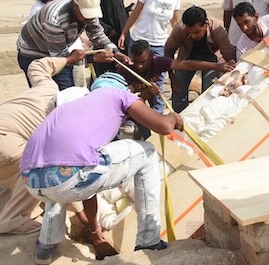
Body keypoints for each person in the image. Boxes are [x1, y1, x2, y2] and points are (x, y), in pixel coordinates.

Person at [20, 75, 184, 265]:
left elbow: (87, 187)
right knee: (147, 152)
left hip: (32, 181)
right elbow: (163, 126)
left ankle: (44, 247)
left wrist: (94, 231)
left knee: (57, 180)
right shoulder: (118, 95)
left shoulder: (71, 110)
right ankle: (148, 240)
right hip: (68, 175)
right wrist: (173, 117)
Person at [0, 53, 85, 236]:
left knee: (30, 160)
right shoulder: (54, 128)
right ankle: (10, 220)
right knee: (40, 169)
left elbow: (37, 66)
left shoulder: (49, 89)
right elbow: (65, 166)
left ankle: (19, 197)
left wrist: (68, 60)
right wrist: (81, 212)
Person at [17, 0, 129, 90]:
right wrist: (93, 58)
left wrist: (114, 51)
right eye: (86, 15)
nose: (90, 19)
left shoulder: (87, 10)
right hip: (34, 54)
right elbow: (60, 58)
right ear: (75, 6)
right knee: (47, 95)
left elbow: (97, 34)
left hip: (59, 53)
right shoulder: (55, 20)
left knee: (68, 92)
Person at [118, 38, 235, 136]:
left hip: (151, 92)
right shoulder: (124, 70)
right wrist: (146, 93)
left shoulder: (158, 62)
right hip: (133, 101)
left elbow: (185, 64)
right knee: (142, 124)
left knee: (156, 115)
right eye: (135, 62)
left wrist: (216, 66)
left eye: (143, 62)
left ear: (151, 56)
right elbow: (125, 102)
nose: (139, 66)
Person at [119, 0, 181, 113]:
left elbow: (175, 22)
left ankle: (156, 115)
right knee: (133, 77)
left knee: (157, 82)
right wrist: (124, 33)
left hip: (159, 44)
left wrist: (179, 42)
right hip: (140, 40)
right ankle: (132, 112)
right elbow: (135, 13)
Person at [165, 6, 236, 113]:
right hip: (187, 58)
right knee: (178, 91)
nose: (193, 36)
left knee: (209, 92)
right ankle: (181, 119)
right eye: (189, 32)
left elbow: (229, 56)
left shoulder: (218, 29)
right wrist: (172, 77)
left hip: (212, 60)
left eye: (197, 32)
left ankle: (205, 117)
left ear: (206, 24)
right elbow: (168, 52)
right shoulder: (180, 29)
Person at [95, 0, 133, 76]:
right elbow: (95, 17)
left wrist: (126, 10)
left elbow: (114, 12)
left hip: (120, 43)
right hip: (107, 43)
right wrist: (109, 31)